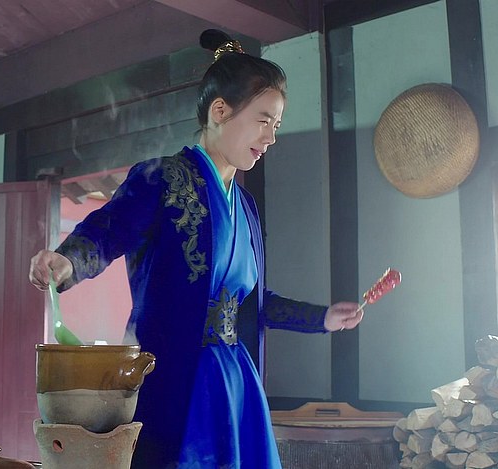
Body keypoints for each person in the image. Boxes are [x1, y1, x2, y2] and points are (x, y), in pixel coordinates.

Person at [28, 28, 364, 469]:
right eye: (263, 120)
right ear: (220, 111)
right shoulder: (163, 179)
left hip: (236, 383)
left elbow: (250, 304)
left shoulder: (245, 206)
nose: (271, 138)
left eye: (276, 126)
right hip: (172, 376)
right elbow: (109, 230)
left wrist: (322, 318)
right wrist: (67, 260)